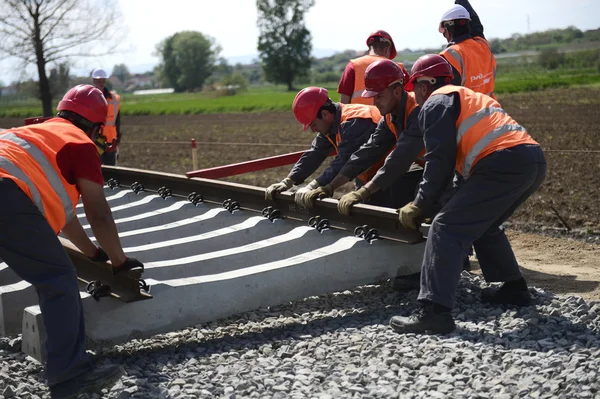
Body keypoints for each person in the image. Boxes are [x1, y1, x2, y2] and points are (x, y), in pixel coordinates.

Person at [0, 84, 144, 398]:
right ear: (96, 126)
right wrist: (119, 261)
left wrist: (93, 254)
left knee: (56, 273)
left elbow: (66, 216)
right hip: (5, 196)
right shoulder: (79, 144)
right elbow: (99, 212)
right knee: (58, 279)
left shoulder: (39, 134)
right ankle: (69, 374)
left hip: (6, 192)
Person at [389, 55, 546, 335]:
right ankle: (514, 289)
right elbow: (460, 170)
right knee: (482, 224)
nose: (414, 95)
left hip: (501, 162)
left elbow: (439, 161)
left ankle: (433, 311)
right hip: (531, 160)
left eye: (414, 88)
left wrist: (420, 204)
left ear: (426, 85)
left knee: (446, 227)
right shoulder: (469, 97)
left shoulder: (436, 102)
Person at [306, 59, 425, 215]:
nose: (375, 102)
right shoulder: (389, 117)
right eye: (373, 96)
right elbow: (366, 153)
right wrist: (330, 187)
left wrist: (362, 193)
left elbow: (398, 160)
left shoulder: (416, 111)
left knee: (414, 195)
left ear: (396, 91)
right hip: (433, 167)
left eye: (379, 96)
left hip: (453, 170)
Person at [265, 87, 382, 208]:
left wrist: (314, 186)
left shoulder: (354, 122)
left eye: (313, 124)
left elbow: (344, 161)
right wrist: (289, 180)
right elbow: (315, 153)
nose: (312, 130)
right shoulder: (331, 124)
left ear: (325, 114)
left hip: (391, 178)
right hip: (370, 177)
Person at [438, 0, 497, 99]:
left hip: (467, 113)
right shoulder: (483, 46)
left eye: (444, 33)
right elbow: (476, 26)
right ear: (468, 25)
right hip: (492, 111)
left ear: (447, 31)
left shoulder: (448, 56)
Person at [337, 30, 403, 105]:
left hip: (358, 115)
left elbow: (344, 102)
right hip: (385, 116)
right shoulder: (397, 68)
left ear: (370, 47)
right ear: (387, 49)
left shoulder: (353, 65)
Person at [91, 68, 122, 165]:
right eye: (99, 81)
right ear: (94, 81)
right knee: (97, 171)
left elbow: (117, 120)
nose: (101, 83)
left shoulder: (114, 98)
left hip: (110, 141)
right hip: (95, 142)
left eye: (103, 80)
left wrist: (118, 137)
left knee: (111, 172)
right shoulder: (89, 98)